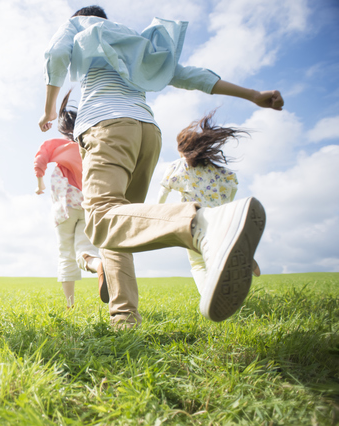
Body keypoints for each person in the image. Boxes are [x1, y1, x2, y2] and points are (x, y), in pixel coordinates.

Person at [39, 6, 283, 328]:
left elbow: (56, 53)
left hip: (106, 125)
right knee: (119, 227)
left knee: (100, 219)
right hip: (146, 133)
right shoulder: (135, 41)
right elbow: (186, 74)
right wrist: (252, 94)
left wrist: (49, 109)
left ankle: (205, 223)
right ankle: (125, 320)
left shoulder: (79, 27)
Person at [157, 111, 261, 294]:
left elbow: (163, 191)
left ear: (181, 148)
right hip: (218, 218)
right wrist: (225, 205)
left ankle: (209, 297)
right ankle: (239, 252)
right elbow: (233, 184)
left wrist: (159, 212)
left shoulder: (178, 165)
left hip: (193, 220)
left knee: (198, 263)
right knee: (218, 252)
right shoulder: (214, 168)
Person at [34, 89, 102, 308]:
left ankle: (70, 305)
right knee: (85, 249)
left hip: (65, 207)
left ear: (64, 128)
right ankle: (99, 265)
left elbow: (40, 158)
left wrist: (40, 182)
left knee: (65, 254)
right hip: (88, 206)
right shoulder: (90, 148)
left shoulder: (60, 144)